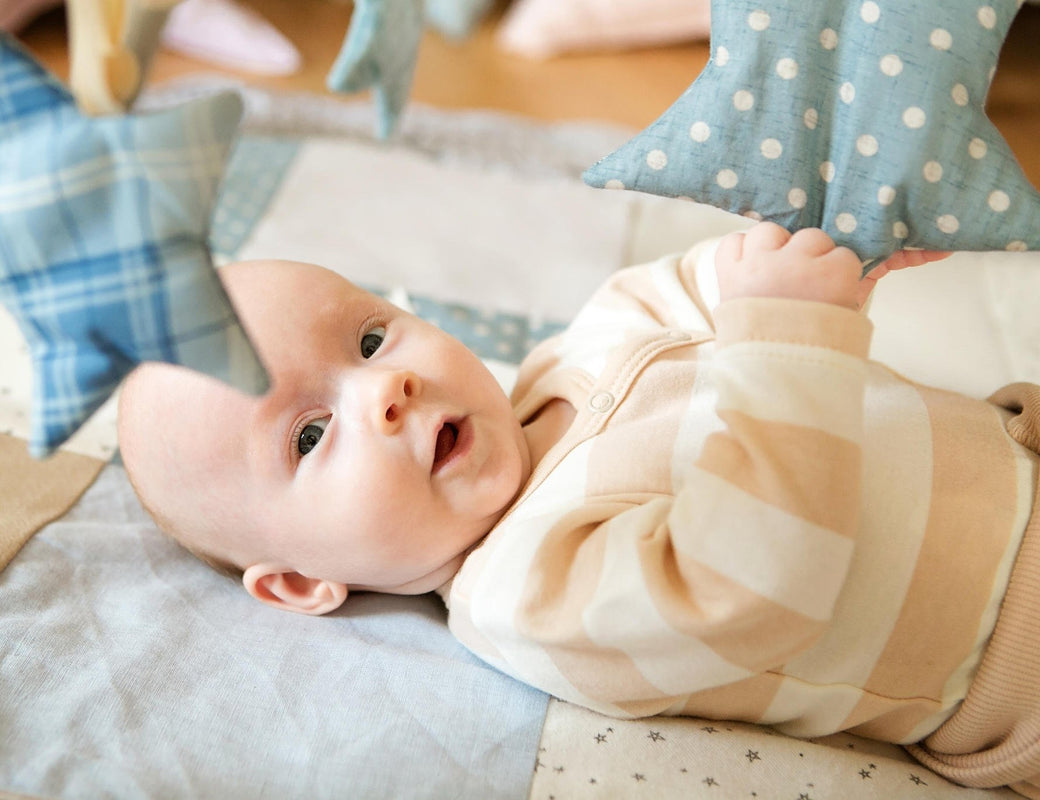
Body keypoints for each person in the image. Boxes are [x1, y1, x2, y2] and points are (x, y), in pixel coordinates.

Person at [117, 223, 1039, 795]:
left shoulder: (573, 352)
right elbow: (752, 586)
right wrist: (793, 332)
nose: (387, 386)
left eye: (368, 337)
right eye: (310, 436)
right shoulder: (528, 591)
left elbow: (690, 284)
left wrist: (803, 256)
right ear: (302, 582)